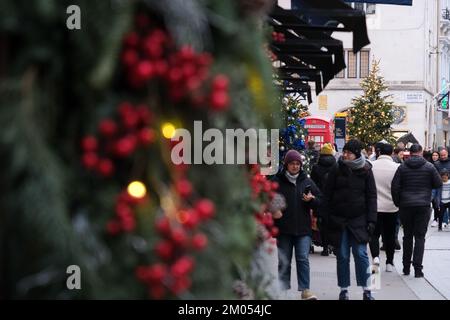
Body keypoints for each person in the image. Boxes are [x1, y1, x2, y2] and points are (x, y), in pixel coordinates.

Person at [322, 139, 377, 300]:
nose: (345, 155)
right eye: (344, 152)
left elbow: (371, 196)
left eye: (349, 153)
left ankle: (367, 290)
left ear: (356, 154)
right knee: (343, 255)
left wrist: (372, 220)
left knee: (360, 254)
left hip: (359, 219)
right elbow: (327, 193)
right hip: (339, 219)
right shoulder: (337, 168)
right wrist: (325, 216)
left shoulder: (366, 170)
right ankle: (344, 289)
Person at [272, 149, 321, 300]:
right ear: (286, 165)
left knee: (302, 259)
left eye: (297, 164)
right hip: (284, 228)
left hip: (303, 229)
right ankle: (283, 289)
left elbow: (321, 201)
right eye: (292, 164)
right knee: (284, 261)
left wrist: (312, 200)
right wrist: (274, 209)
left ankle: (305, 289)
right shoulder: (277, 181)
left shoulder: (306, 181)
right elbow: (265, 197)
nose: (295, 166)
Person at [391, 144, 442, 277]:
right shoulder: (429, 167)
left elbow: (395, 187)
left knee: (407, 236)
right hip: (423, 206)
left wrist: (398, 202)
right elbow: (438, 184)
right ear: (420, 152)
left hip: (406, 205)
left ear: (410, 152)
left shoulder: (402, 167)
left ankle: (406, 267)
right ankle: (418, 269)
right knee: (420, 237)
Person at [369, 142, 399, 273]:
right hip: (391, 206)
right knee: (390, 235)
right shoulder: (397, 167)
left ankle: (375, 257)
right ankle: (389, 262)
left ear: (378, 152)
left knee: (374, 235)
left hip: (374, 206)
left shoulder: (371, 166)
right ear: (392, 152)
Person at [311, 143, 337, 256]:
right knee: (333, 222)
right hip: (333, 198)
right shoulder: (336, 166)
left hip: (320, 198)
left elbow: (312, 183)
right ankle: (334, 245)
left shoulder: (316, 167)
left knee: (322, 223)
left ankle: (325, 247)